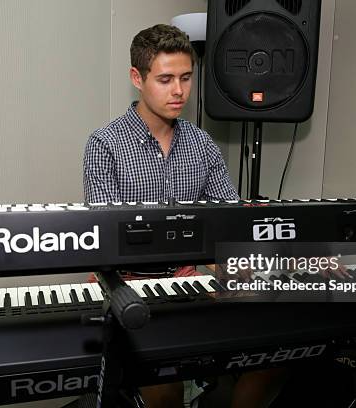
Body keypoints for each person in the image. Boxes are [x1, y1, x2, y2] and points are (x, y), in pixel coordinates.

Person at [83, 24, 285, 408]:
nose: (178, 91)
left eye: (186, 78)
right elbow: (106, 239)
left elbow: (229, 219)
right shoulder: (105, 145)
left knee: (273, 354)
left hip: (189, 283)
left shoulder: (202, 144)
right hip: (130, 288)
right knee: (164, 387)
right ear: (136, 79)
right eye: (165, 79)